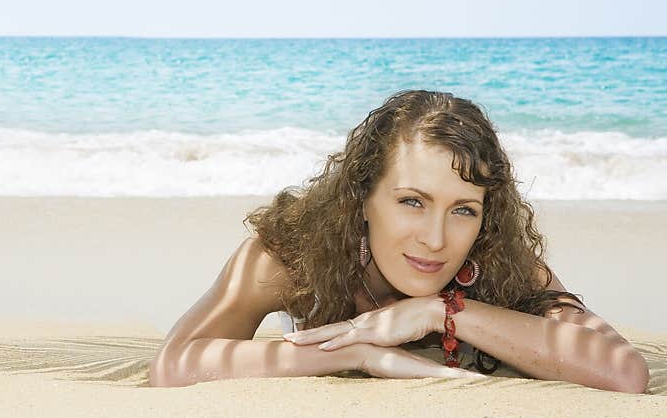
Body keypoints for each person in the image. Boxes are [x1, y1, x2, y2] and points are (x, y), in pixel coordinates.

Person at [148, 90, 650, 393]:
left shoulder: (499, 265)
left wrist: (442, 312)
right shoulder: (290, 258)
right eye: (412, 201)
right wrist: (355, 354)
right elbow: (172, 365)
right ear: (362, 197)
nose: (435, 239)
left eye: (463, 210)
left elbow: (625, 372)